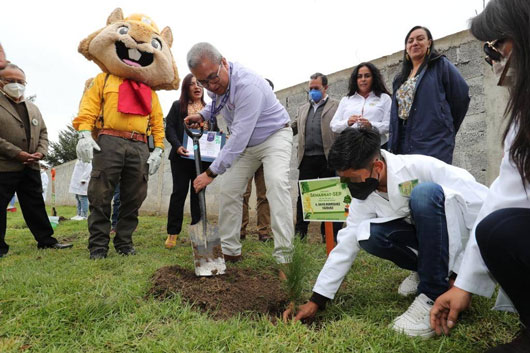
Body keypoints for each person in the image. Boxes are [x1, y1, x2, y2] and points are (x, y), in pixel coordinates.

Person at [284, 127, 488, 338]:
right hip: (427, 243)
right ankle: (426, 271)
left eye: (352, 180)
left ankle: (432, 294)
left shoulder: (420, 167)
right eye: (343, 180)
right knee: (367, 234)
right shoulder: (364, 194)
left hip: (459, 237)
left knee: (424, 194)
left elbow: (479, 208)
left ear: (377, 166)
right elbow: (346, 245)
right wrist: (316, 301)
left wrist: (462, 275)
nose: (349, 187)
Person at [431, 1, 530, 351]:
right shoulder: (522, 114)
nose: (492, 59)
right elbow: (508, 189)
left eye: (493, 47)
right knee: (498, 229)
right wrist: (463, 283)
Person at [73, 10, 178, 259]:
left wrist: (159, 149)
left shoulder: (150, 92)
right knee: (100, 194)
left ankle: (124, 242)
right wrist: (84, 134)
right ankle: (98, 246)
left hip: (139, 146)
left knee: (134, 197)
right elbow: (88, 108)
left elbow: (157, 122)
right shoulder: (104, 80)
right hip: (109, 141)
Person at [184, 42, 294, 265]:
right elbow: (216, 102)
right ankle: (230, 252)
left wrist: (211, 173)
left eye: (213, 78)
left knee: (276, 184)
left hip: (274, 136)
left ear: (224, 62)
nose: (210, 86)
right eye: (203, 82)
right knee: (230, 191)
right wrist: (203, 115)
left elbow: (237, 139)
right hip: (247, 145)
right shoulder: (215, 84)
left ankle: (285, 257)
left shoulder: (248, 86)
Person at [0, 63, 72, 257]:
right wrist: (16, 153)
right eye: (10, 81)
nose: (16, 85)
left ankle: (46, 241)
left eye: (20, 81)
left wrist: (41, 152)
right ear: (1, 83)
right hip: (4, 165)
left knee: (35, 205)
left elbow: (43, 133)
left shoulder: (33, 108)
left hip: (31, 166)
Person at [388, 26, 470, 164]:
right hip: (402, 140)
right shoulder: (399, 78)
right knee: (408, 183)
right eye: (410, 41)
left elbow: (461, 97)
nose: (415, 43)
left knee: (430, 183)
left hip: (432, 140)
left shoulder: (440, 65)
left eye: (420, 39)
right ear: (406, 47)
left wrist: (445, 126)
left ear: (429, 43)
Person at [164, 73, 214, 248]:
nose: (197, 87)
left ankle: (198, 231)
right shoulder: (178, 106)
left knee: (198, 194)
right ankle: (173, 233)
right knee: (179, 193)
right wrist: (177, 146)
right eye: (192, 84)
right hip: (181, 157)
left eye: (200, 83)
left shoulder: (209, 109)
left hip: (202, 160)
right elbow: (169, 127)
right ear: (186, 88)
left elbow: (214, 132)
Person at [292, 72, 342, 242]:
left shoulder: (336, 106)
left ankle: (329, 235)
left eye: (316, 88)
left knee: (331, 197)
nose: (313, 91)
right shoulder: (303, 109)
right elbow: (293, 128)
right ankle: (300, 234)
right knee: (303, 197)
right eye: (310, 89)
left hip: (328, 158)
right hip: (306, 159)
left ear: (325, 88)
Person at [240, 78, 273, 243]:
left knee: (264, 195)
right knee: (242, 194)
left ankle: (264, 232)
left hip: (264, 157)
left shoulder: (273, 112)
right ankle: (240, 230)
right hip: (246, 155)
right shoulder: (247, 108)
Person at [330, 62, 391, 147]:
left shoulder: (384, 98)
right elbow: (334, 125)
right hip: (351, 147)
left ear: (374, 78)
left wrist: (371, 125)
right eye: (359, 77)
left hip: (377, 146)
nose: (363, 79)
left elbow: (389, 125)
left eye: (367, 76)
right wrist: (347, 122)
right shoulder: (346, 100)